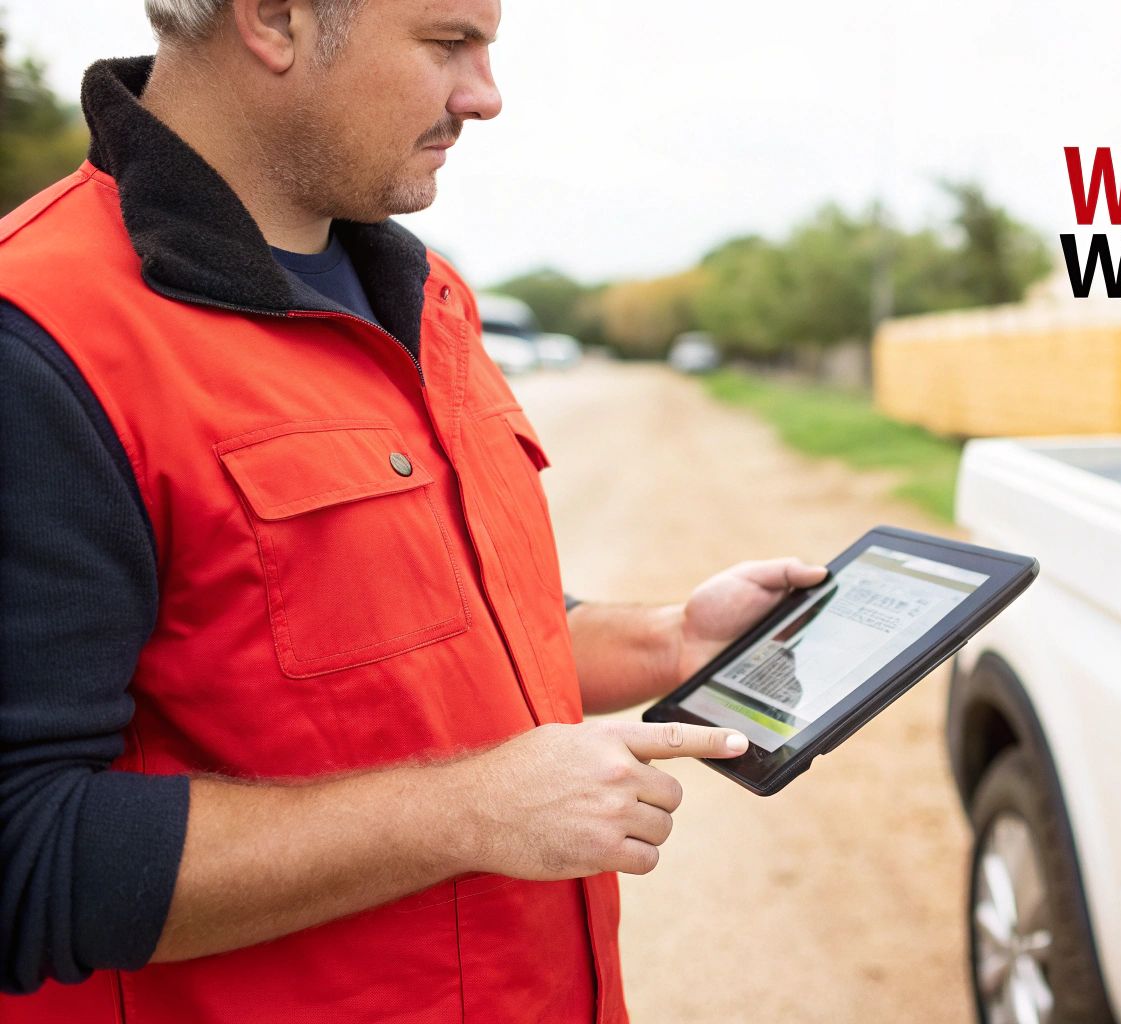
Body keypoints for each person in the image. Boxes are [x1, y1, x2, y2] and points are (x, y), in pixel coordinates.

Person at [0, 1, 825, 1020]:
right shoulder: (38, 344)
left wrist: (670, 640)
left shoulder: (430, 295)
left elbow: (444, 639)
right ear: (273, 19)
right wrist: (469, 811)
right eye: (446, 44)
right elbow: (22, 853)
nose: (484, 94)